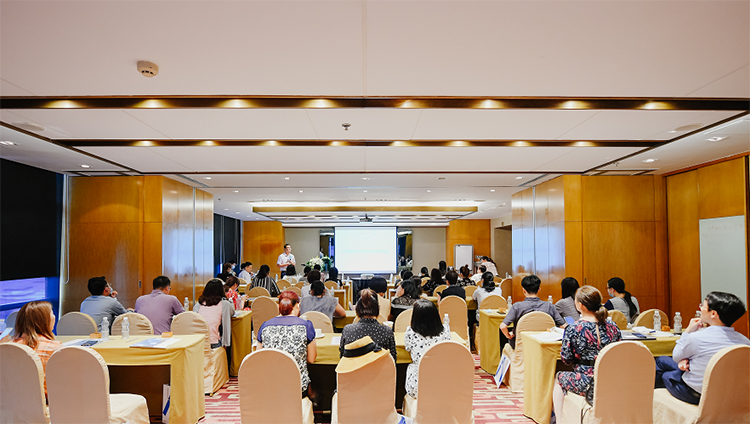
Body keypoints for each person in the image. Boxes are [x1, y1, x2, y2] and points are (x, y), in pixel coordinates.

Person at [655, 291, 750, 405]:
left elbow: (676, 356)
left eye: (703, 306)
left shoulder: (696, 337)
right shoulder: (745, 342)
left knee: (665, 374)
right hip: (728, 393)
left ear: (713, 313)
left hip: (698, 393)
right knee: (663, 360)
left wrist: (688, 331)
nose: (700, 309)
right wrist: (687, 359)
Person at [552, 286, 622, 419]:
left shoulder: (574, 328)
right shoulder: (613, 327)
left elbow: (566, 359)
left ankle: (560, 420)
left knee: (559, 378)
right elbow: (619, 352)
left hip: (586, 381)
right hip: (611, 379)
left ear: (580, 305)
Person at [257, 290, 317, 398]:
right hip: (297, 387)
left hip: (270, 386)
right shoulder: (306, 326)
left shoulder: (265, 326)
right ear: (298, 306)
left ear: (278, 306)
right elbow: (311, 359)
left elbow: (259, 357)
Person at [501, 274, 565, 349]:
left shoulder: (517, 306)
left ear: (524, 290)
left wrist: (509, 336)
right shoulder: (549, 306)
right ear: (539, 289)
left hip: (522, 346)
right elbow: (563, 326)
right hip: (544, 346)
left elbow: (503, 326)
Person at [12, 301, 61, 397]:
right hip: (45, 402)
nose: (54, 317)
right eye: (52, 313)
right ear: (45, 320)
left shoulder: (7, 347)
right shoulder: (54, 349)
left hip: (10, 401)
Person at [404, 299, 452, 398]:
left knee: (411, 366)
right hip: (443, 384)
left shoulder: (410, 333)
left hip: (418, 387)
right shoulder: (445, 331)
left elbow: (408, 348)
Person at [340, 289, 397, 362]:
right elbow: (392, 359)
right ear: (378, 310)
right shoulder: (387, 331)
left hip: (354, 368)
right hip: (379, 369)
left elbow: (342, 357)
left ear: (357, 310)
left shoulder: (348, 330)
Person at [194, 279, 234, 348]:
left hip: (198, 342)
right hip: (214, 342)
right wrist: (229, 300)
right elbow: (232, 312)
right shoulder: (224, 303)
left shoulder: (199, 304)